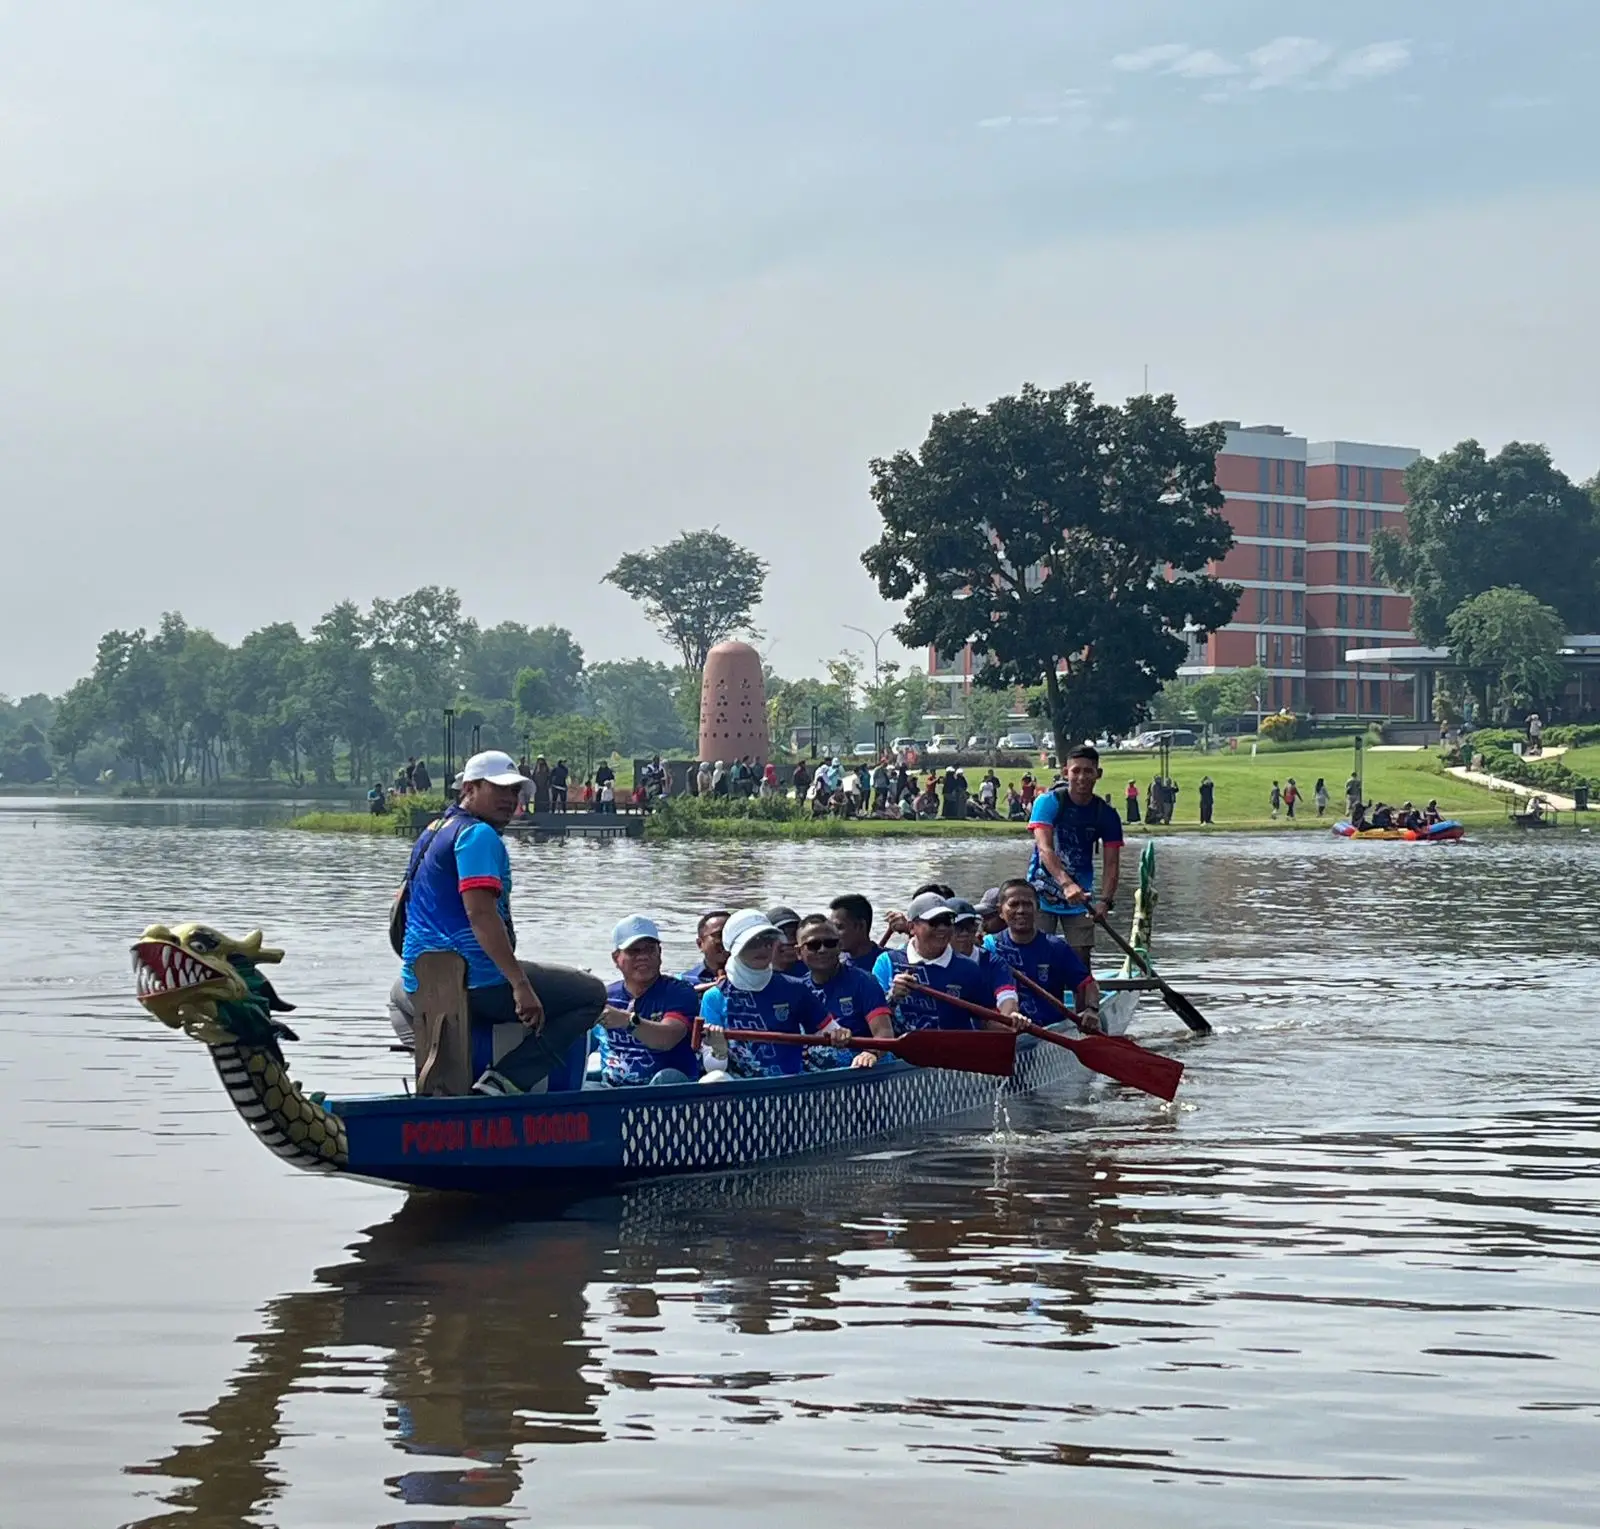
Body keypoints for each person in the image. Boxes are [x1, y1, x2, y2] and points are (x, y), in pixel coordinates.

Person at [393, 750, 604, 1096]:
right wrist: (519, 985)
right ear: (470, 788)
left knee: (395, 996)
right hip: (478, 984)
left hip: (420, 979)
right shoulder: (478, 835)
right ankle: (505, 1080)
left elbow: (400, 907)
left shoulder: (432, 831)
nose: (510, 800)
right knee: (590, 995)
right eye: (500, 790)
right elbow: (481, 914)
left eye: (515, 792)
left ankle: (445, 1069)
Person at [698, 909, 840, 1079]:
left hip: (791, 1084)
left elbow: (831, 1032)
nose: (763, 948)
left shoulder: (795, 988)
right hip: (739, 1089)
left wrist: (839, 1035)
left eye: (768, 941)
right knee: (714, 1079)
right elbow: (712, 1067)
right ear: (733, 947)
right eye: (753, 942)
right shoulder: (714, 997)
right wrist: (719, 1051)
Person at [1026, 744, 1123, 958]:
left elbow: (1112, 864)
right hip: (1041, 892)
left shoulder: (1106, 815)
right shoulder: (1048, 802)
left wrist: (1105, 901)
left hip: (1081, 899)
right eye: (1076, 771)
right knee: (1038, 958)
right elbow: (1044, 848)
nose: (1081, 777)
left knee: (1080, 962)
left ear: (1098, 774)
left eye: (1088, 771)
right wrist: (1066, 883)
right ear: (1065, 772)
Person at [872, 893, 1019, 1034]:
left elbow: (985, 1019)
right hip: (902, 1055)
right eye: (934, 922)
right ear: (911, 927)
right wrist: (893, 996)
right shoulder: (887, 963)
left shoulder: (968, 969)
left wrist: (1012, 1022)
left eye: (947, 921)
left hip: (955, 1053)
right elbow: (873, 1018)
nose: (942, 928)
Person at [593, 916, 702, 1086]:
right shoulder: (604, 997)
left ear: (660, 953)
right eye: (634, 951)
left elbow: (667, 1039)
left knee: (668, 1077)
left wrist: (626, 1021)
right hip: (611, 1089)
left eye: (649, 950)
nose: (643, 957)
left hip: (668, 1092)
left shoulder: (679, 992)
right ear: (616, 958)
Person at [984, 879, 1102, 1031]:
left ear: (1037, 908)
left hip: (1050, 1032)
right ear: (1000, 911)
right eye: (1014, 905)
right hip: (1007, 1030)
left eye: (1027, 904)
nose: (1021, 911)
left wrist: (1091, 1010)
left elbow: (1087, 984)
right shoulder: (988, 948)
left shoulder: (1056, 948)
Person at [797, 913, 893, 1068]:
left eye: (830, 943)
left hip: (858, 1068)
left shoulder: (864, 981)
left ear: (839, 946)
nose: (822, 950)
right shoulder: (798, 990)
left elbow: (884, 1034)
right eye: (813, 945)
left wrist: (871, 1053)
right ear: (798, 953)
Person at [828, 893, 883, 970]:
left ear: (860, 926)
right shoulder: (833, 960)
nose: (832, 934)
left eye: (839, 927)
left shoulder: (888, 962)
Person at [679, 909, 731, 987]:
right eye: (720, 935)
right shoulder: (685, 982)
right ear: (700, 944)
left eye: (733, 935)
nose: (728, 941)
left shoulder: (753, 979)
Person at [766, 905, 804, 975]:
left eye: (795, 933)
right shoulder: (756, 975)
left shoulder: (815, 970)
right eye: (781, 933)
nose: (790, 941)